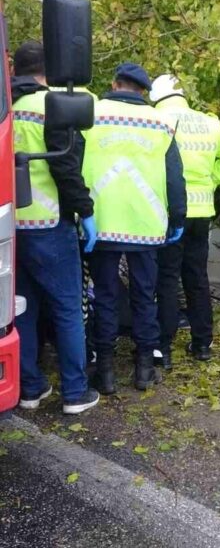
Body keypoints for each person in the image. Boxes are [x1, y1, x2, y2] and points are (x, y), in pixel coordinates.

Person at [82, 63, 186, 393]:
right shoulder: (161, 123)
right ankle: (143, 368)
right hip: (146, 227)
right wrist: (178, 219)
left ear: (114, 84)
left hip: (101, 223)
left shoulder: (91, 114)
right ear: (143, 91)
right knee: (144, 297)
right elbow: (174, 178)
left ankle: (107, 372)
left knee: (106, 296)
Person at [12, 40, 99, 414]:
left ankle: (30, 388)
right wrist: (86, 211)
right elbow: (65, 166)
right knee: (66, 308)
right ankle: (76, 393)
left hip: (12, 230)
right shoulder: (51, 107)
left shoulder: (8, 108)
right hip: (49, 225)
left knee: (23, 309)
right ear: (49, 72)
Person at [149, 75, 220, 367]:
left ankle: (163, 347)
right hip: (202, 213)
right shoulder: (208, 123)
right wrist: (211, 180)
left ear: (157, 95)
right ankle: (202, 343)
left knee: (166, 279)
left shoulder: (156, 119)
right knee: (197, 278)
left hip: (169, 211)